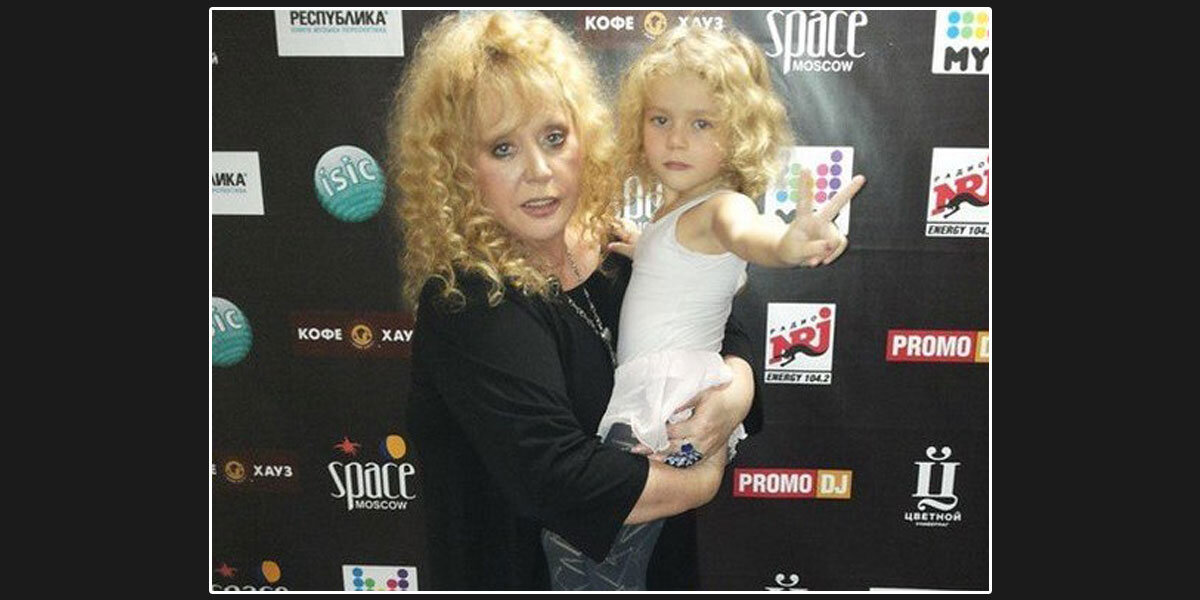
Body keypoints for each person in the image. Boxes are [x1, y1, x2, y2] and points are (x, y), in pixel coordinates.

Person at [388, 12, 761, 590]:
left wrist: (736, 392)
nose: (539, 171)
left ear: (584, 136)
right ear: (459, 168)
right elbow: (560, 479)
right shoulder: (467, 300)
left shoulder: (614, 246)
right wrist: (705, 478)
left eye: (554, 138)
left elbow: (718, 324)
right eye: (503, 148)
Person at [540, 24, 868, 590]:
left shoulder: (723, 207)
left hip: (663, 400)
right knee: (605, 557)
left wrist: (788, 245)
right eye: (660, 120)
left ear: (739, 133)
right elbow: (685, 265)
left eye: (701, 124)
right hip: (660, 393)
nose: (675, 140)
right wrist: (646, 247)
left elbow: (750, 235)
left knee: (588, 556)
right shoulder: (678, 212)